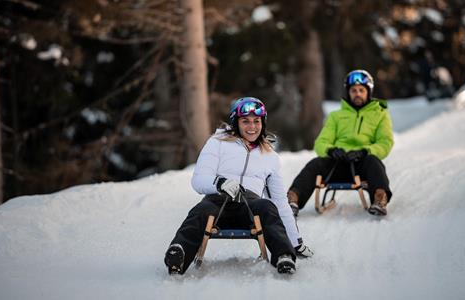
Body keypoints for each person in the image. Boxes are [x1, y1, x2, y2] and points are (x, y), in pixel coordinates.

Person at [165, 97, 313, 275]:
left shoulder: (270, 156)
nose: (252, 127)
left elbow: (280, 202)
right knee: (201, 210)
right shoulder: (217, 143)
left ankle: (284, 256)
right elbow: (199, 179)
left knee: (268, 206)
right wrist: (219, 183)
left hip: (250, 207)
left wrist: (295, 241)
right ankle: (178, 252)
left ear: (263, 123)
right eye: (245, 121)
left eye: (256, 121)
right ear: (236, 122)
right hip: (217, 202)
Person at [287, 70, 394, 216]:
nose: (357, 93)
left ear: (368, 92)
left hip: (362, 165)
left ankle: (380, 198)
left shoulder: (380, 114)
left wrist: (365, 151)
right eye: (353, 90)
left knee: (374, 162)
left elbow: (385, 142)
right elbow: (321, 142)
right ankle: (292, 200)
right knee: (315, 164)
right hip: (338, 163)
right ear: (348, 92)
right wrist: (331, 151)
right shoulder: (336, 116)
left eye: (361, 90)